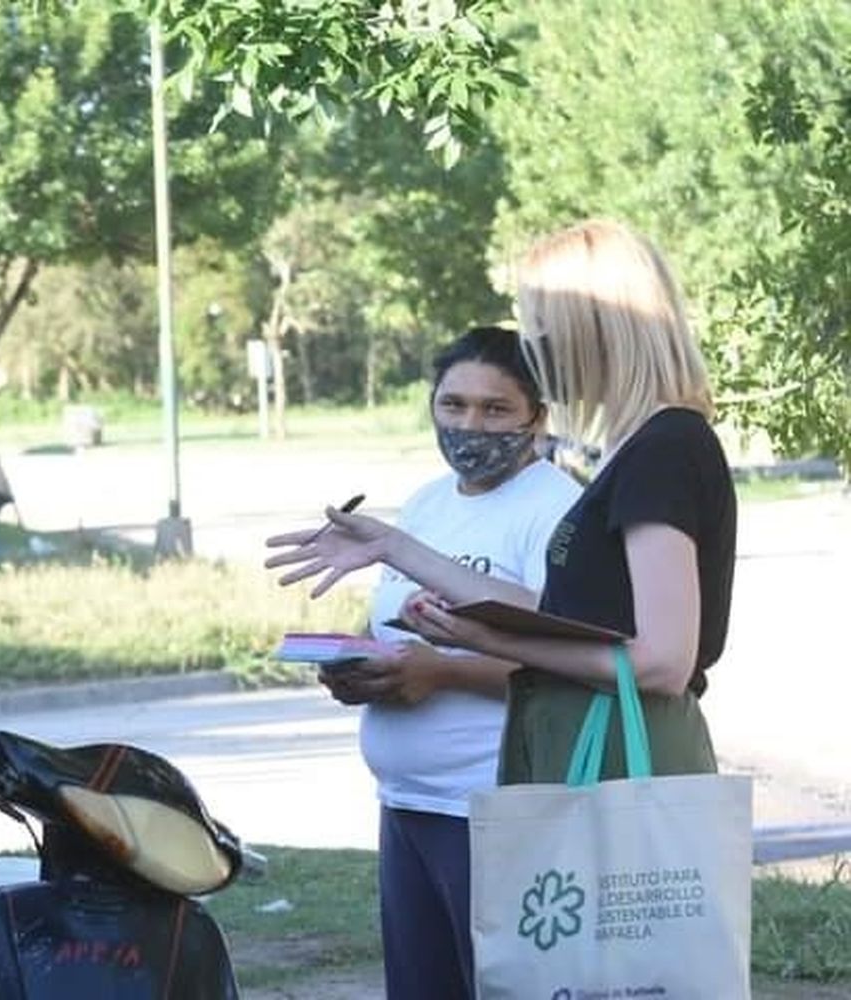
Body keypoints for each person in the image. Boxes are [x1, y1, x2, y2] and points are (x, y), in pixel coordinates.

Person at [269, 219, 733, 788]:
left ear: (593, 327)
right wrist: (392, 547)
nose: (533, 349)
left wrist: (486, 642)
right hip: (583, 748)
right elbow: (568, 619)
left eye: (540, 325)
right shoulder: (633, 446)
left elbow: (662, 662)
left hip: (621, 760)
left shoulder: (666, 446)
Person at [286, 328, 580, 999]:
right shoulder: (426, 504)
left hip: (491, 809)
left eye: (495, 409)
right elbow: (389, 624)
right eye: (452, 405)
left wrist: (441, 672)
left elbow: (571, 659)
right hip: (407, 804)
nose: (469, 425)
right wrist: (358, 667)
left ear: (538, 415)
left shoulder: (557, 510)